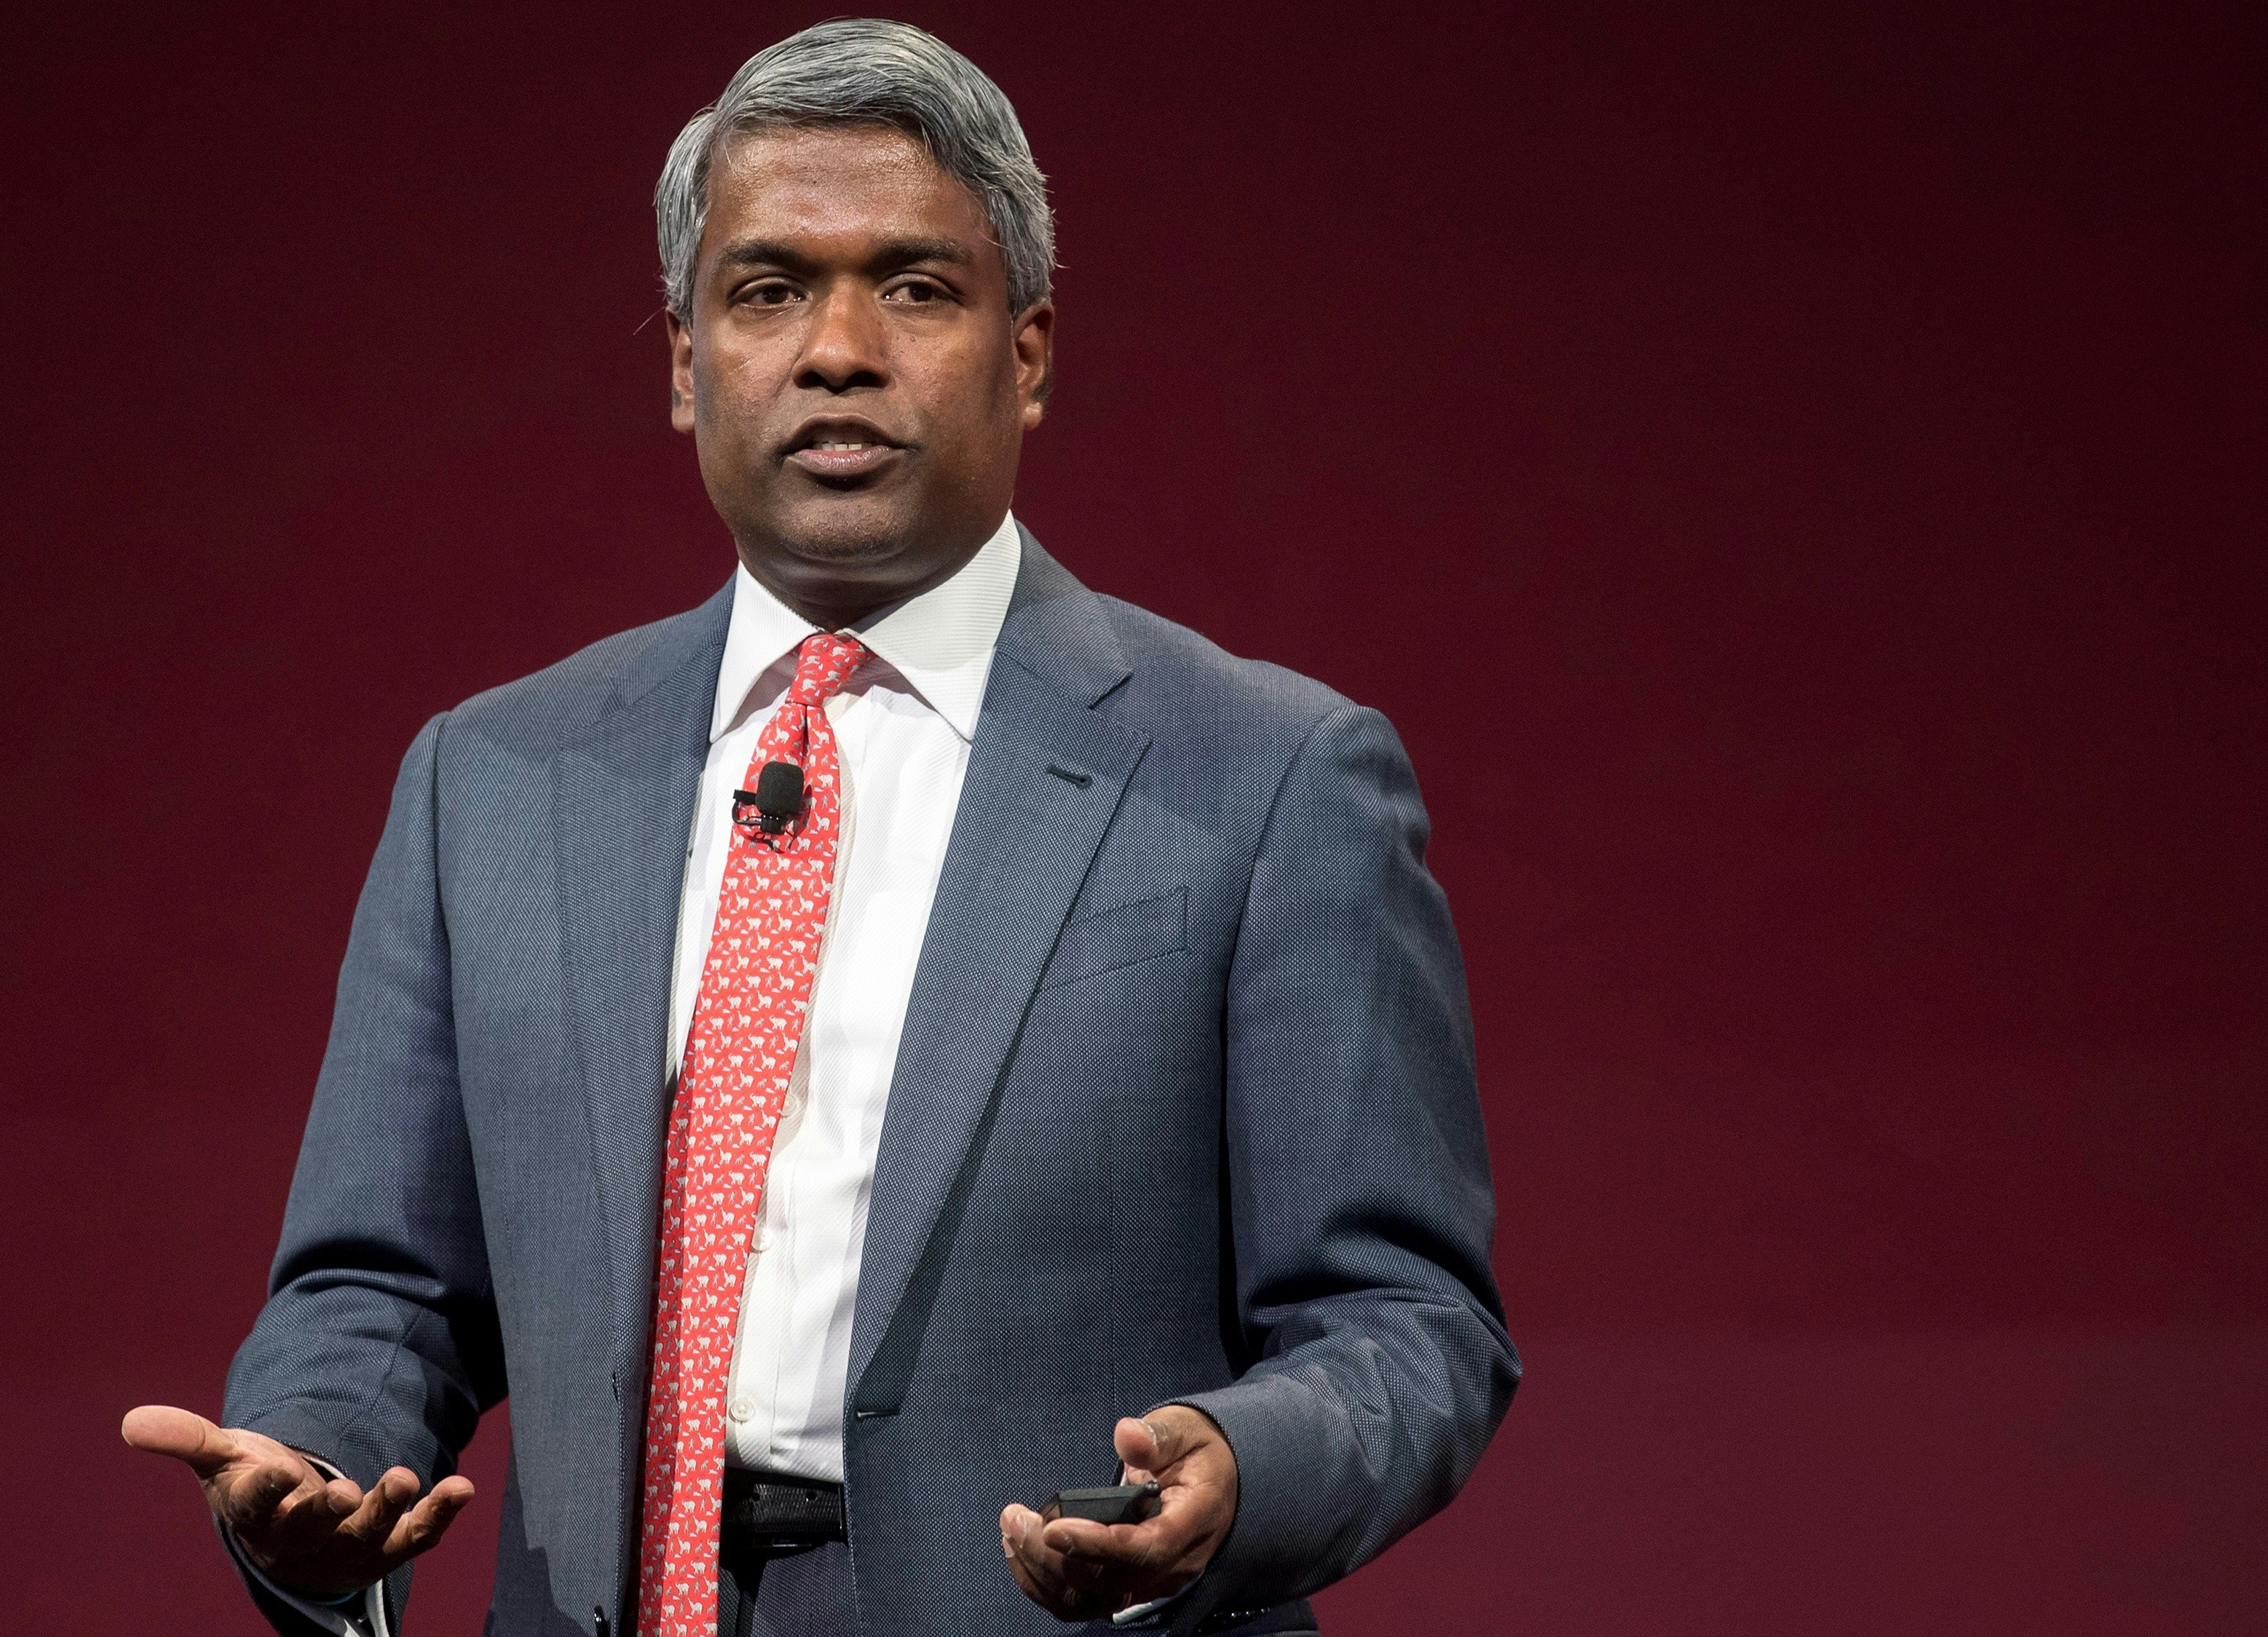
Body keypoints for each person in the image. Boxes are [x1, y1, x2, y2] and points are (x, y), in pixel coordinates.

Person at [124, 20, 1514, 1636]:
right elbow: (379, 1287)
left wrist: (1234, 1465)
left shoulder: (1270, 776)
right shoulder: (488, 778)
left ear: (1030, 352)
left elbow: (1406, 1321)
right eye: (767, 289)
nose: (836, 348)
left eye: (915, 288)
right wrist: (316, 1462)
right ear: (681, 360)